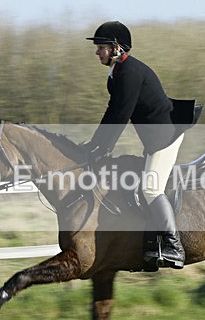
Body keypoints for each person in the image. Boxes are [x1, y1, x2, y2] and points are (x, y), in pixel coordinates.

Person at [84, 21, 197, 270]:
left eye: (100, 47)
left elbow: (120, 116)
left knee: (150, 189)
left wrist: (102, 148)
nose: (96, 52)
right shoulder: (118, 74)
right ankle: (150, 246)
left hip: (165, 138)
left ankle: (174, 246)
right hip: (154, 139)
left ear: (115, 48)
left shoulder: (129, 73)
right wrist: (95, 144)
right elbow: (112, 113)